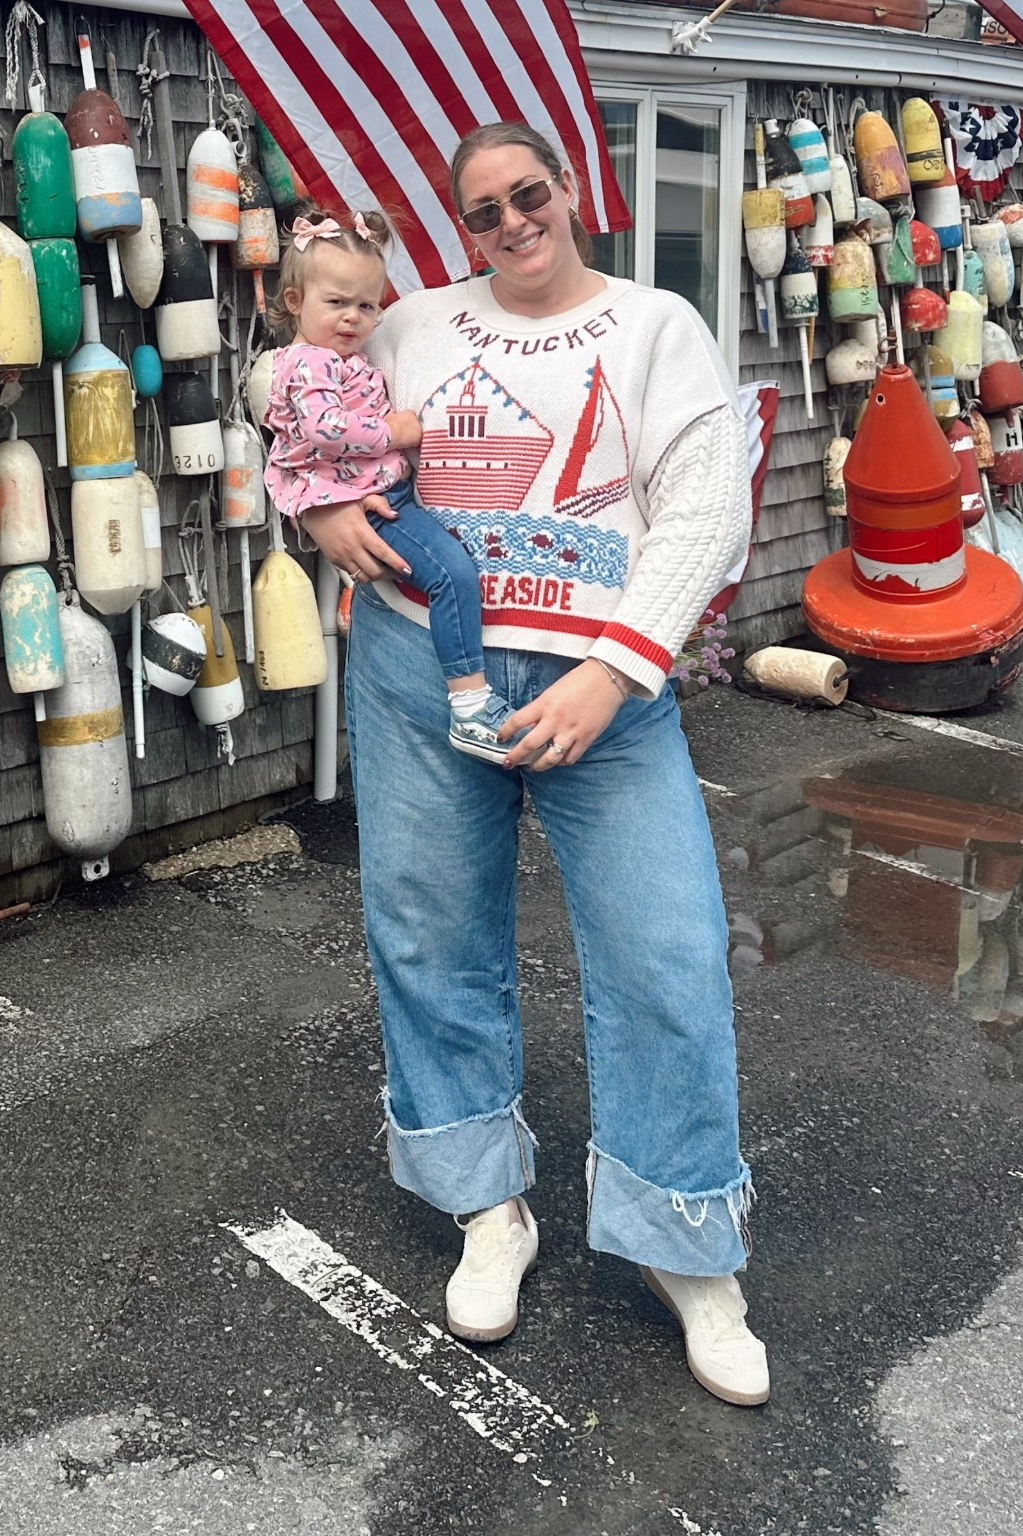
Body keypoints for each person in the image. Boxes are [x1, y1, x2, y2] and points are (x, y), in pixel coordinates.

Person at [299, 122, 767, 1406]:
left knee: (664, 946)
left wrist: (616, 667)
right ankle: (484, 1208)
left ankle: (687, 1249)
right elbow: (278, 389)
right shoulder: (410, 326)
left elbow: (707, 502)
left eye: (528, 196)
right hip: (414, 670)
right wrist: (320, 503)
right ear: (460, 229)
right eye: (482, 212)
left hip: (594, 689)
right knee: (429, 932)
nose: (510, 225)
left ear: (569, 192)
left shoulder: (653, 323)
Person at [263, 208, 516, 762]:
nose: (353, 318)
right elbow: (324, 430)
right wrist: (393, 432)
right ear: (293, 302)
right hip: (376, 505)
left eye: (367, 306)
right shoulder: (308, 365)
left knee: (451, 571)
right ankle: (470, 705)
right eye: (336, 303)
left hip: (382, 495)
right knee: (452, 574)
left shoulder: (340, 358)